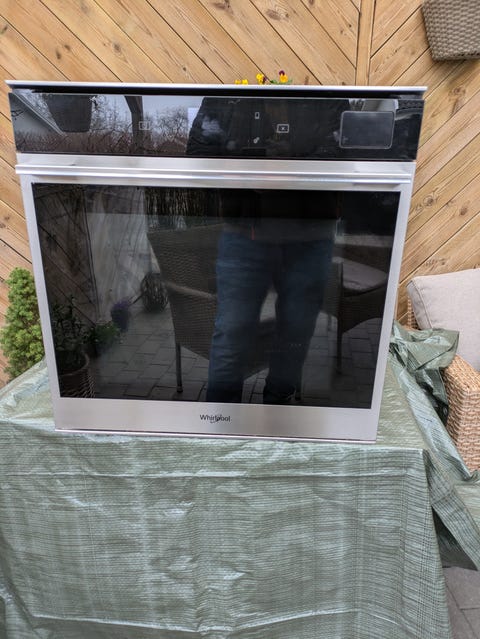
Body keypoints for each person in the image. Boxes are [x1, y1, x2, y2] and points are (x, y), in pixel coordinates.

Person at [187, 95, 345, 403]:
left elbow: (344, 155)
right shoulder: (228, 99)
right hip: (245, 232)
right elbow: (198, 155)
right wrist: (250, 173)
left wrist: (285, 166)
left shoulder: (328, 100)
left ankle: (276, 410)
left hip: (310, 237)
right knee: (232, 332)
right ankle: (221, 419)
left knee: (296, 332)